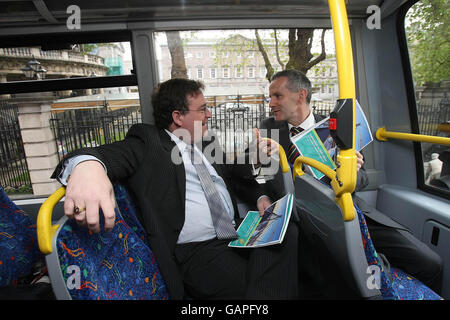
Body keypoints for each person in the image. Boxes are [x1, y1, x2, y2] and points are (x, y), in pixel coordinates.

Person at [51, 78, 300, 300]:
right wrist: (87, 169)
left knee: (289, 232)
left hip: (236, 233)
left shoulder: (206, 141)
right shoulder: (147, 142)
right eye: (203, 109)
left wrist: (256, 170)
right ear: (178, 117)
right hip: (197, 253)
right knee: (279, 274)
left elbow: (231, 175)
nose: (210, 115)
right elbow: (104, 154)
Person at [252, 69, 443, 294]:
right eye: (270, 96)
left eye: (277, 96)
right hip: (302, 220)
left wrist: (351, 171)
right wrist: (262, 191)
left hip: (349, 212)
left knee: (430, 263)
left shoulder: (337, 128)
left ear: (301, 95)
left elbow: (361, 179)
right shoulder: (268, 128)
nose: (270, 102)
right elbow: (259, 176)